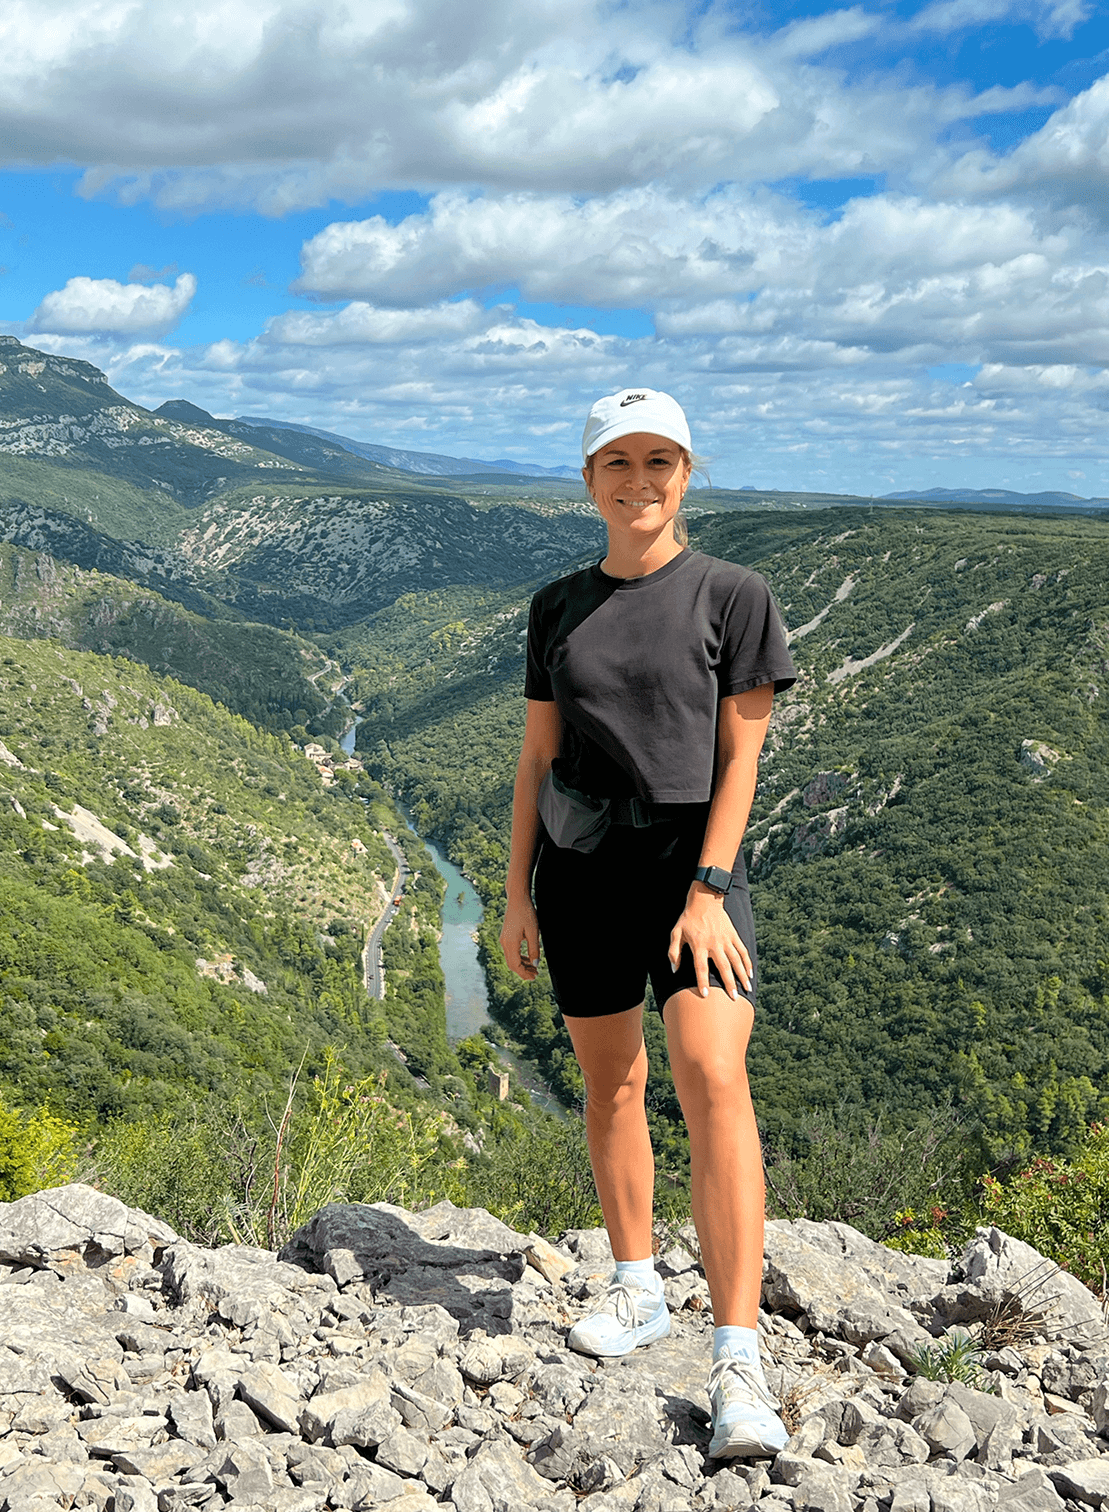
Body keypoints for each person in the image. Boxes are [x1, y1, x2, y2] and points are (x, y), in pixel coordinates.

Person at [499, 388, 798, 1459]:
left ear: (688, 472)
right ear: (587, 479)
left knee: (713, 1074)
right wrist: (515, 890)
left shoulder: (732, 595)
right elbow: (537, 757)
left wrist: (711, 889)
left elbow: (744, 755)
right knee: (612, 1078)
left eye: (659, 461)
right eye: (616, 462)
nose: (638, 481)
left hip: (689, 875)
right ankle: (637, 1287)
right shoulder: (556, 604)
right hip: (579, 872)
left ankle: (738, 1356)